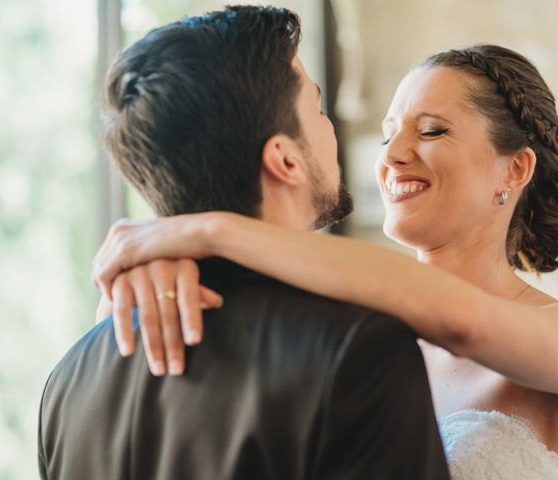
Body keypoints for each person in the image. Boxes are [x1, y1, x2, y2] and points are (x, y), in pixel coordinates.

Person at [93, 42, 558, 480]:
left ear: (514, 171)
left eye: (432, 130)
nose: (393, 154)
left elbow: (462, 321)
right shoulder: (343, 332)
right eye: (390, 131)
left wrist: (209, 229)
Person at [38, 6, 451, 480]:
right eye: (316, 109)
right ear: (285, 160)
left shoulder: (69, 378)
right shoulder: (360, 350)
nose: (329, 125)